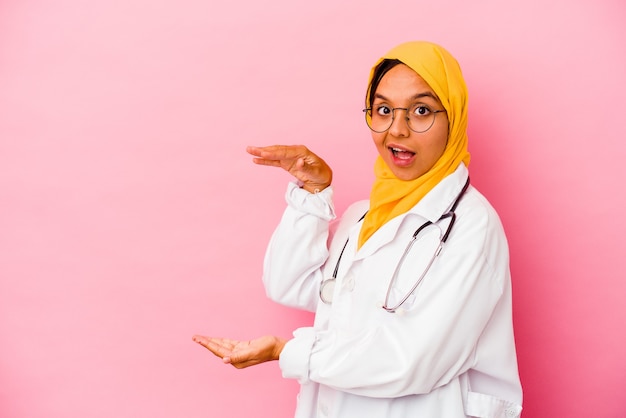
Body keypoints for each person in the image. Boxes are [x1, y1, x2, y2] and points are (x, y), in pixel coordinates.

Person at [193, 41, 523, 418]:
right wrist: (312, 196)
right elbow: (288, 284)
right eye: (383, 110)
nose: (397, 130)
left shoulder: (470, 227)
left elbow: (414, 361)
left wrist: (287, 352)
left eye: (420, 111)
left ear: (454, 116)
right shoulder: (362, 217)